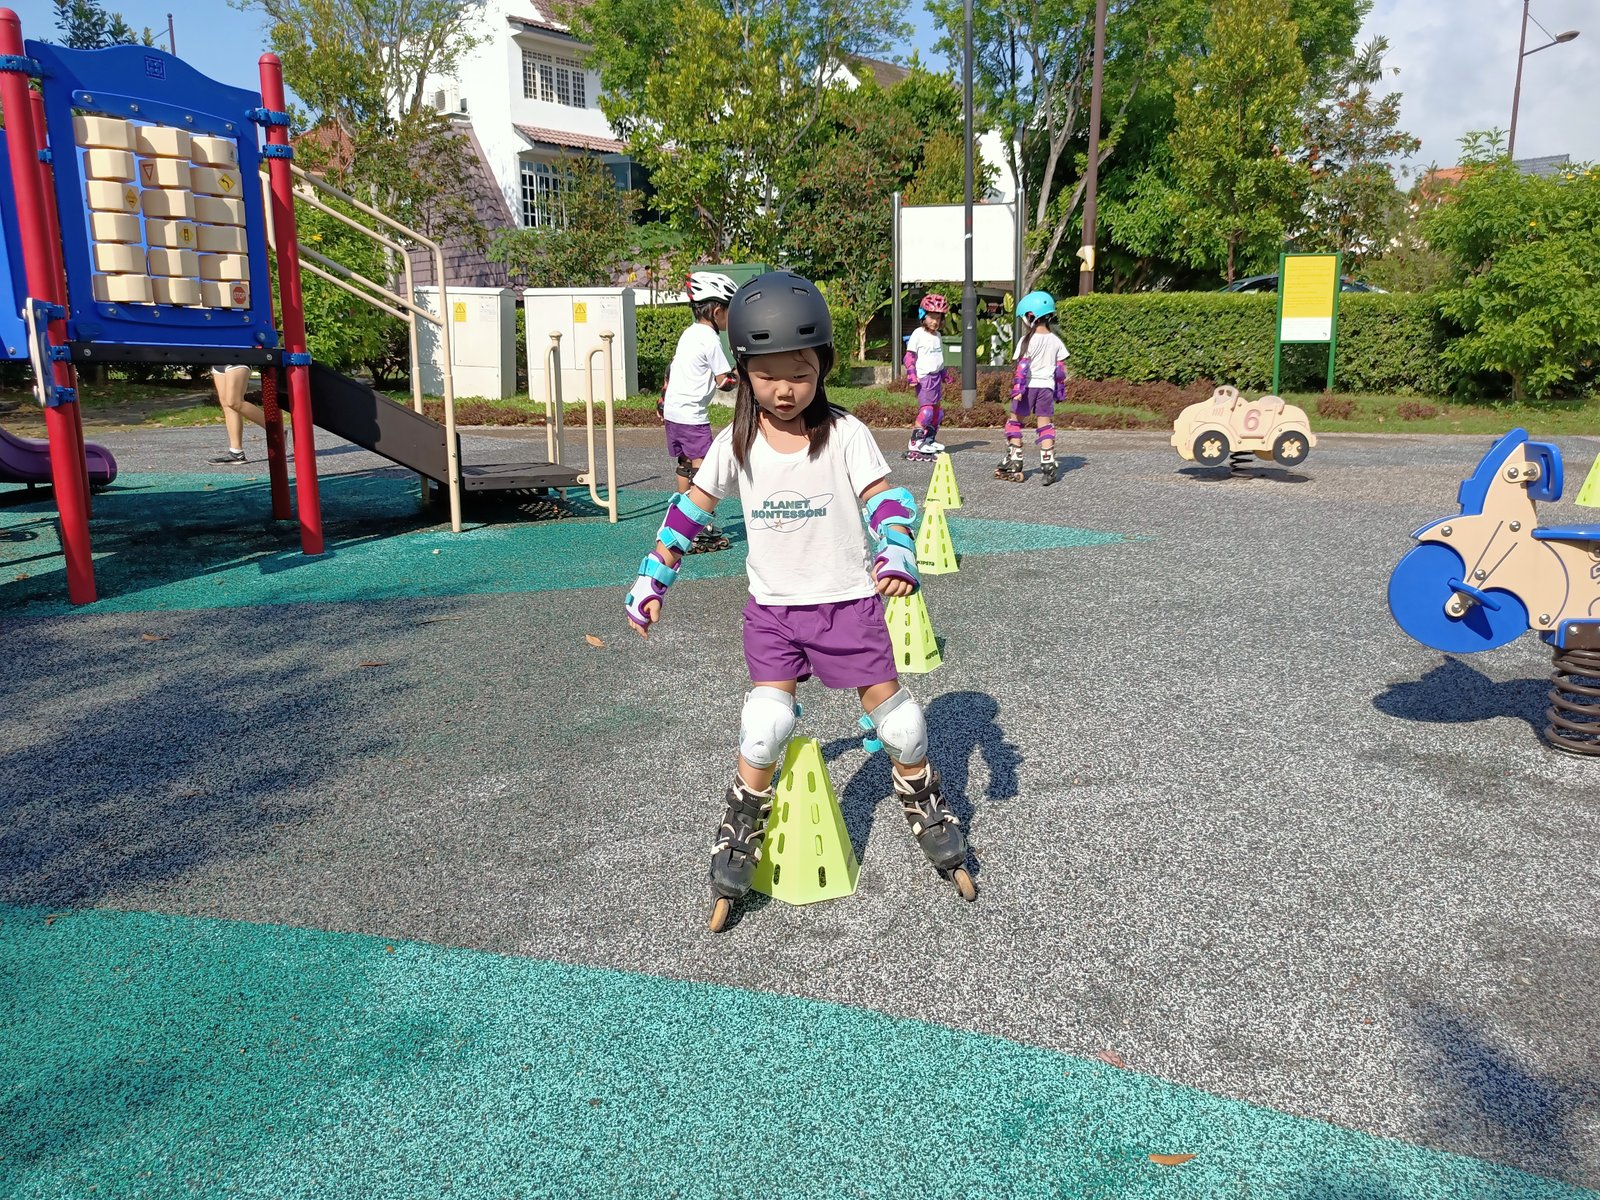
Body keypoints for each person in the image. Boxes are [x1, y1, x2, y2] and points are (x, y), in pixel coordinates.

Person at [625, 271, 977, 932]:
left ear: (823, 369)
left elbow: (885, 498)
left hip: (848, 606)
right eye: (768, 375)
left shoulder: (844, 433)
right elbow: (691, 511)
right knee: (764, 726)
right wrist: (654, 576)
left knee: (902, 725)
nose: (784, 389)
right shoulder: (736, 443)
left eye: (801, 373)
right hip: (775, 613)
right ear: (744, 372)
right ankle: (740, 828)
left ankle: (926, 804)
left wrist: (896, 547)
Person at [659, 271, 739, 552]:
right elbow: (725, 383)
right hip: (693, 415)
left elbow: (672, 369)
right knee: (702, 470)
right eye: (730, 310)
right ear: (717, 311)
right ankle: (697, 525)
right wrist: (742, 370)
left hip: (673, 411)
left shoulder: (689, 333)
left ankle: (681, 518)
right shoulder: (710, 339)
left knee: (684, 463)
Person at [997, 290, 1068, 486]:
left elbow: (1022, 367)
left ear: (1030, 317)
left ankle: (1015, 460)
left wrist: (1018, 390)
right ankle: (1048, 465)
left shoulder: (1027, 340)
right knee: (1044, 425)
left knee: (1014, 423)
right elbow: (1061, 370)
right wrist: (1059, 392)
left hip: (1028, 388)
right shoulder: (1056, 340)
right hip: (1046, 388)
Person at [902, 292, 949, 462]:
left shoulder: (937, 337)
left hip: (936, 378)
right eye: (931, 317)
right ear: (923, 315)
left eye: (938, 318)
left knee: (938, 413)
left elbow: (938, 358)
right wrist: (912, 375)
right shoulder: (918, 334)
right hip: (924, 378)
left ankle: (929, 440)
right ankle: (916, 441)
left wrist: (944, 374)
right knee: (927, 411)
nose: (935, 321)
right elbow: (909, 357)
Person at [208, 364, 264, 465]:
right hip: (218, 359)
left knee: (234, 402)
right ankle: (236, 452)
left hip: (238, 358)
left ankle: (276, 429)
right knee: (227, 405)